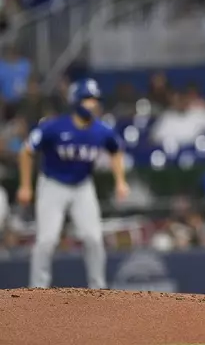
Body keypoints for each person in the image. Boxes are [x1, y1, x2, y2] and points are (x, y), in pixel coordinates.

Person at [17, 78, 130, 289]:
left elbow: (116, 151)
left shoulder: (102, 130)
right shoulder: (54, 127)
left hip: (82, 186)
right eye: (88, 98)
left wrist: (121, 181)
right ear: (76, 101)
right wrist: (25, 186)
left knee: (94, 238)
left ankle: (98, 288)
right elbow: (26, 151)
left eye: (96, 99)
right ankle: (36, 291)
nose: (93, 103)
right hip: (53, 185)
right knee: (47, 240)